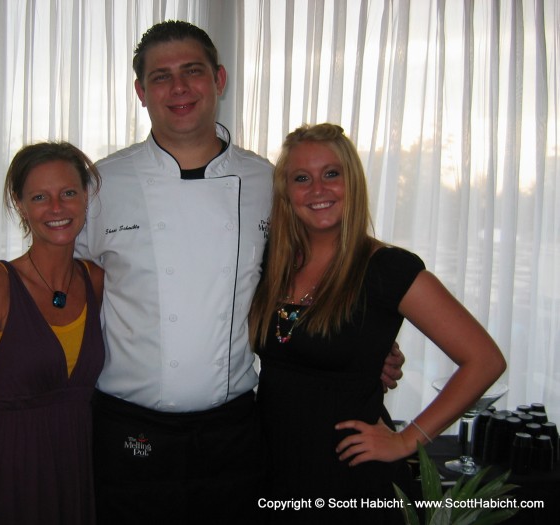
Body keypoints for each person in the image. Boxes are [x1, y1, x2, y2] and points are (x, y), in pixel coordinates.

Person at [75, 20, 404, 523]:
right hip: (129, 426)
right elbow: (60, 286)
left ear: (220, 80)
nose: (179, 87)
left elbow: (315, 268)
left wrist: (367, 341)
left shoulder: (266, 181)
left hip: (235, 427)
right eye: (161, 77)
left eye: (193, 71)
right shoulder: (100, 183)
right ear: (140, 92)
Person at [249, 123, 507, 523]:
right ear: (286, 192)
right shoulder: (272, 263)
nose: (318, 190)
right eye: (302, 178)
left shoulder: (387, 269)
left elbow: (484, 360)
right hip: (272, 468)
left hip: (350, 477)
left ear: (352, 183)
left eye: (331, 174)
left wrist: (407, 439)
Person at [0, 142, 104, 525]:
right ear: (21, 205)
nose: (57, 208)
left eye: (68, 193)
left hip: (76, 474)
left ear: (85, 197)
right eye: (40, 197)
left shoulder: (95, 281)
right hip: (10, 476)